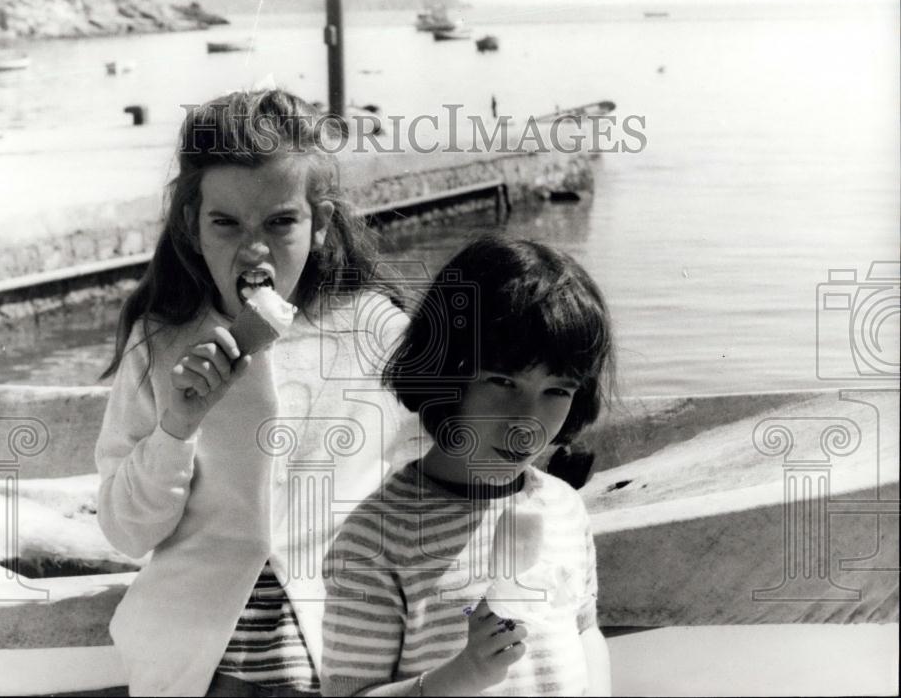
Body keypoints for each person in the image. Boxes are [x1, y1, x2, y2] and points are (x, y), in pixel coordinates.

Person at [95, 89, 410, 697]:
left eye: (280, 222)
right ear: (192, 225)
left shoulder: (376, 330)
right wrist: (176, 428)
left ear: (320, 225)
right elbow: (127, 532)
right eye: (227, 223)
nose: (255, 248)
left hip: (337, 625)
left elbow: (430, 469)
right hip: (195, 642)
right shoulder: (159, 343)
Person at [322, 234, 615, 697]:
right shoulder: (375, 540)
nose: (527, 422)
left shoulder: (564, 507)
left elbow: (584, 629)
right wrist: (462, 675)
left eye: (557, 390)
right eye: (503, 381)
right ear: (446, 373)